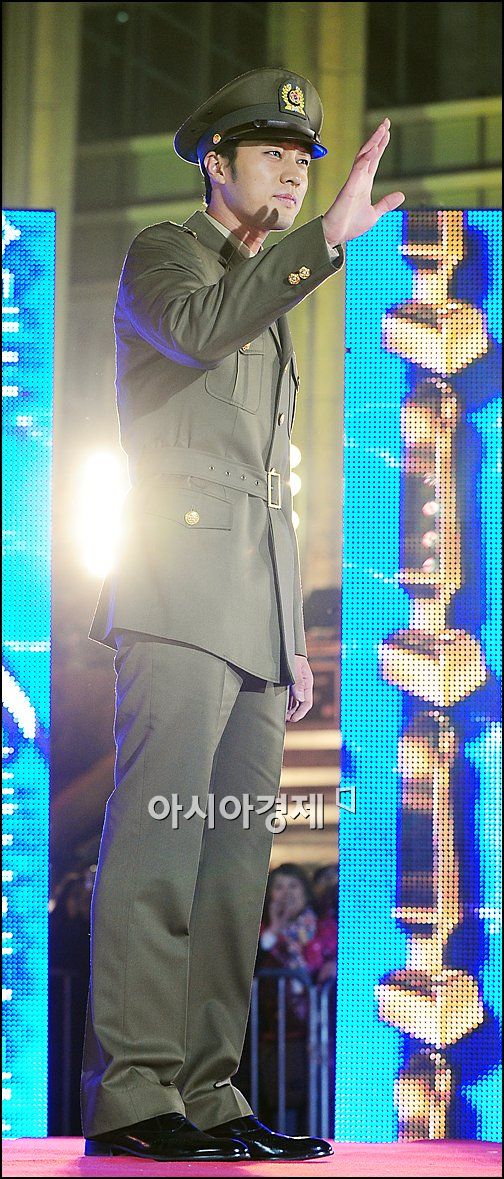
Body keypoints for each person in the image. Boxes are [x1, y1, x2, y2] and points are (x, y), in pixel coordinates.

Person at [80, 66, 404, 1163]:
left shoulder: (265, 299)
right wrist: (326, 241)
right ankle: (137, 1092)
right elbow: (198, 330)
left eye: (305, 158)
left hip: (255, 622)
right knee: (160, 846)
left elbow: (270, 488)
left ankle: (209, 1091)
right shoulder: (167, 258)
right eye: (273, 152)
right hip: (176, 597)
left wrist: (292, 640)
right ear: (215, 164)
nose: (296, 170)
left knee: (231, 868)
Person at [255, 864, 337, 1132]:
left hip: (318, 1036)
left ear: (305, 891)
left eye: (293, 886)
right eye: (279, 887)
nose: (286, 894)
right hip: (275, 1036)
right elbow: (253, 967)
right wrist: (274, 929)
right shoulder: (260, 933)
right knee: (279, 1105)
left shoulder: (324, 928)